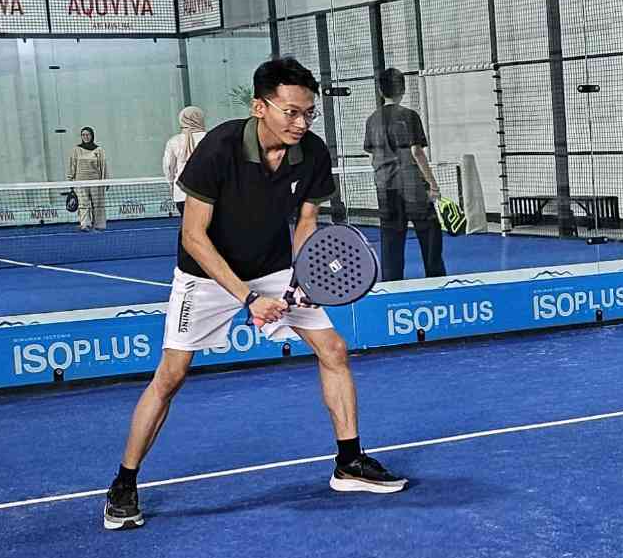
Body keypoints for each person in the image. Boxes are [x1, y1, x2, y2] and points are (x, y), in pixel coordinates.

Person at [102, 55, 404, 530]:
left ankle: (349, 462)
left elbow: (305, 222)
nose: (302, 123)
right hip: (206, 275)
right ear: (260, 107)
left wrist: (302, 279)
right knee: (171, 375)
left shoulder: (312, 153)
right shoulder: (219, 148)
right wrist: (248, 299)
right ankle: (124, 482)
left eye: (309, 113)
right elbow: (193, 237)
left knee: (333, 349)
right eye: (291, 112)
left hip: (273, 268)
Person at [363, 68, 445, 280]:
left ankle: (392, 283)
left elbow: (373, 153)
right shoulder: (410, 116)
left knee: (391, 238)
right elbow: (417, 152)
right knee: (430, 233)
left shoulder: (372, 120)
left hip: (385, 186)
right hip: (412, 186)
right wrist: (433, 185)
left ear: (380, 90)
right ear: (403, 90)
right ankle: (436, 279)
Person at [162, 104, 207, 204]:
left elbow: (168, 167)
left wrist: (171, 183)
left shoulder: (174, 141)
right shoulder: (211, 138)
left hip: (181, 194)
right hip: (208, 195)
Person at [67, 127, 108, 231]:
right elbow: (72, 165)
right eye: (83, 135)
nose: (85, 137)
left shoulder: (99, 150)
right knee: (83, 204)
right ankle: (85, 224)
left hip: (96, 182)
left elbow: (103, 166)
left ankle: (99, 224)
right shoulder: (76, 150)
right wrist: (70, 180)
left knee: (98, 204)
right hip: (80, 182)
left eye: (88, 135)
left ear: (92, 136)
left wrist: (105, 181)